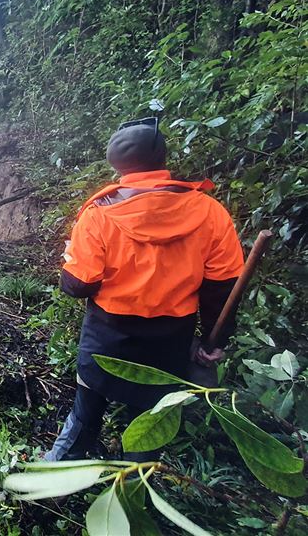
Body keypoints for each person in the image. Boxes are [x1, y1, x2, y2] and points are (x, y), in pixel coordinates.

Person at [44, 117, 245, 462]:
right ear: (162, 158)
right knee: (150, 421)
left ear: (116, 164)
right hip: (170, 340)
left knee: (84, 414)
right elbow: (222, 286)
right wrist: (216, 339)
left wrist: (69, 260)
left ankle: (55, 477)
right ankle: (133, 490)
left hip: (108, 336)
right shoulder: (210, 212)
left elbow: (79, 285)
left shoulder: (99, 215)